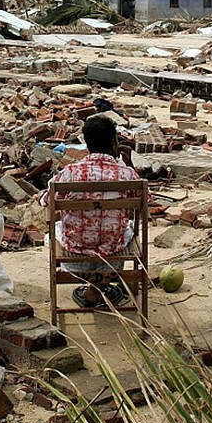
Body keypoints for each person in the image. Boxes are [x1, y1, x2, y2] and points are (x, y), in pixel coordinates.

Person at [42, 115, 141, 308]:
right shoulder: (126, 174)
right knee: (124, 229)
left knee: (55, 228)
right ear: (114, 143)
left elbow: (46, 200)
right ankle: (99, 287)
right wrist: (128, 164)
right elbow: (146, 201)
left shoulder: (69, 173)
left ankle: (94, 288)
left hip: (75, 254)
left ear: (86, 143)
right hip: (114, 253)